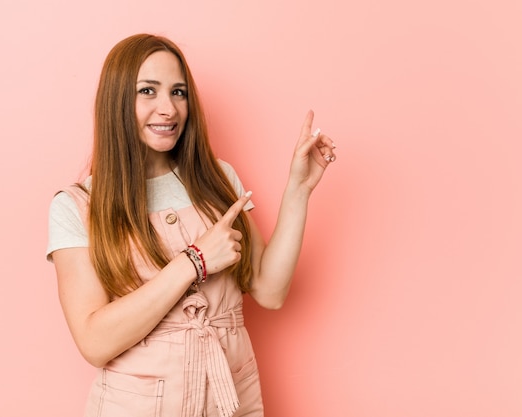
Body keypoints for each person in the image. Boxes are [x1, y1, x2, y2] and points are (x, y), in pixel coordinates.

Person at [46, 33, 336, 417]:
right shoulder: (77, 206)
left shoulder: (217, 179)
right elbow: (94, 342)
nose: (168, 108)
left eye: (178, 92)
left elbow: (270, 291)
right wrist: (194, 261)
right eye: (148, 91)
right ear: (116, 101)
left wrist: (299, 188)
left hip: (231, 396)